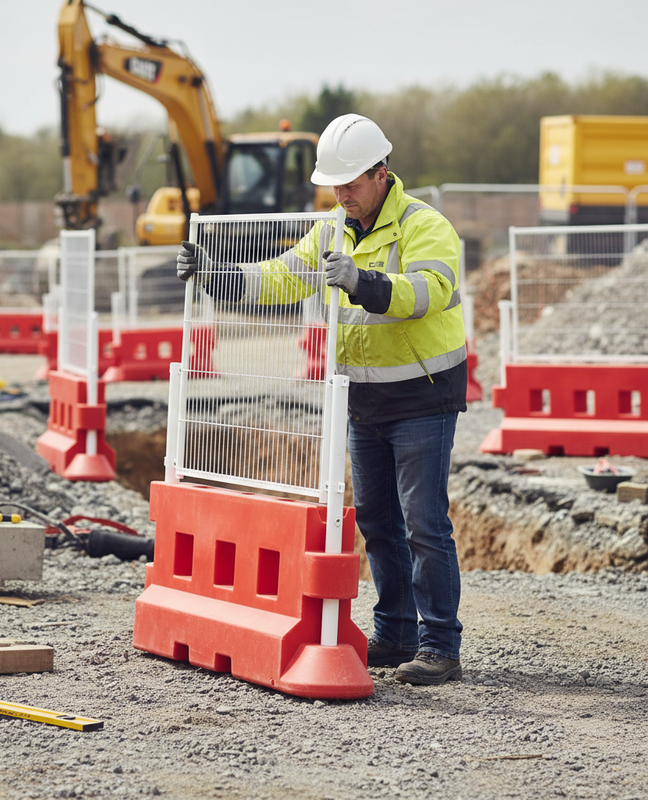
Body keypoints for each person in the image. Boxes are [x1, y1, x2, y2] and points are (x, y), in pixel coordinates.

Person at [177, 113, 466, 686]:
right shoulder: (334, 226)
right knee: (380, 522)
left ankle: (439, 644)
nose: (342, 195)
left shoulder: (424, 225)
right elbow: (283, 277)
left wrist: (362, 283)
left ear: (381, 174)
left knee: (424, 524)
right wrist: (215, 276)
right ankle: (396, 633)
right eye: (335, 186)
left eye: (351, 185)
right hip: (363, 398)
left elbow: (431, 292)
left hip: (421, 397)